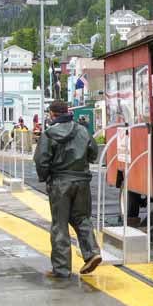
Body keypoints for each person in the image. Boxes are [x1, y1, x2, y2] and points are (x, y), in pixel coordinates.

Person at [33, 100, 101, 279]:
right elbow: (93, 153)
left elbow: (41, 160)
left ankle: (62, 269)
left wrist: (46, 177)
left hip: (60, 183)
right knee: (82, 218)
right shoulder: (82, 130)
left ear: (52, 115)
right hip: (82, 181)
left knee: (60, 225)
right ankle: (92, 252)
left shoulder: (48, 134)